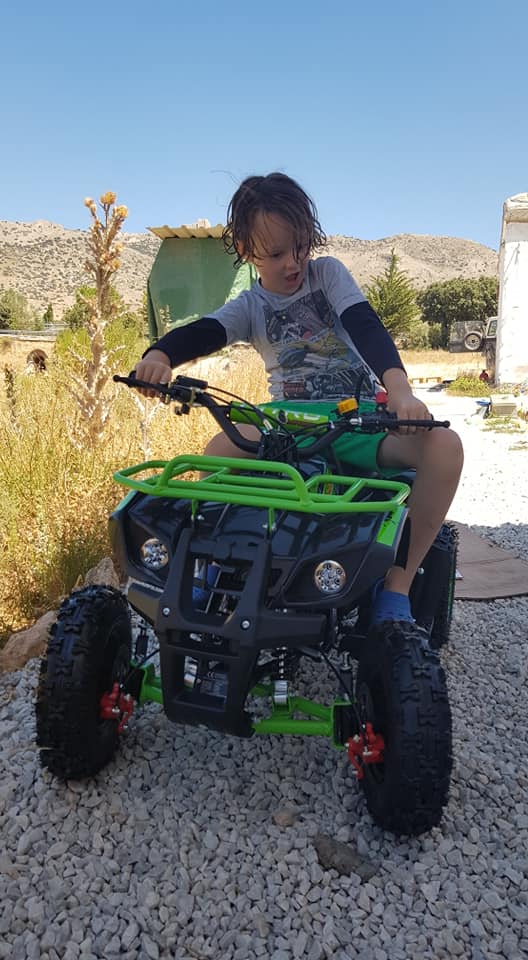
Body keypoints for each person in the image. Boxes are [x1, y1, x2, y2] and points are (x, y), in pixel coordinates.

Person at [133, 172, 464, 625]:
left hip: (354, 419)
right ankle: (210, 567)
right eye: (276, 253)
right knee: (216, 452)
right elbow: (206, 331)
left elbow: (364, 324)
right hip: (283, 423)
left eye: (302, 246)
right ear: (248, 251)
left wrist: (400, 391)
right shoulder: (251, 305)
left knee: (445, 448)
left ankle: (396, 588)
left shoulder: (326, 277)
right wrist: (160, 354)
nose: (294, 262)